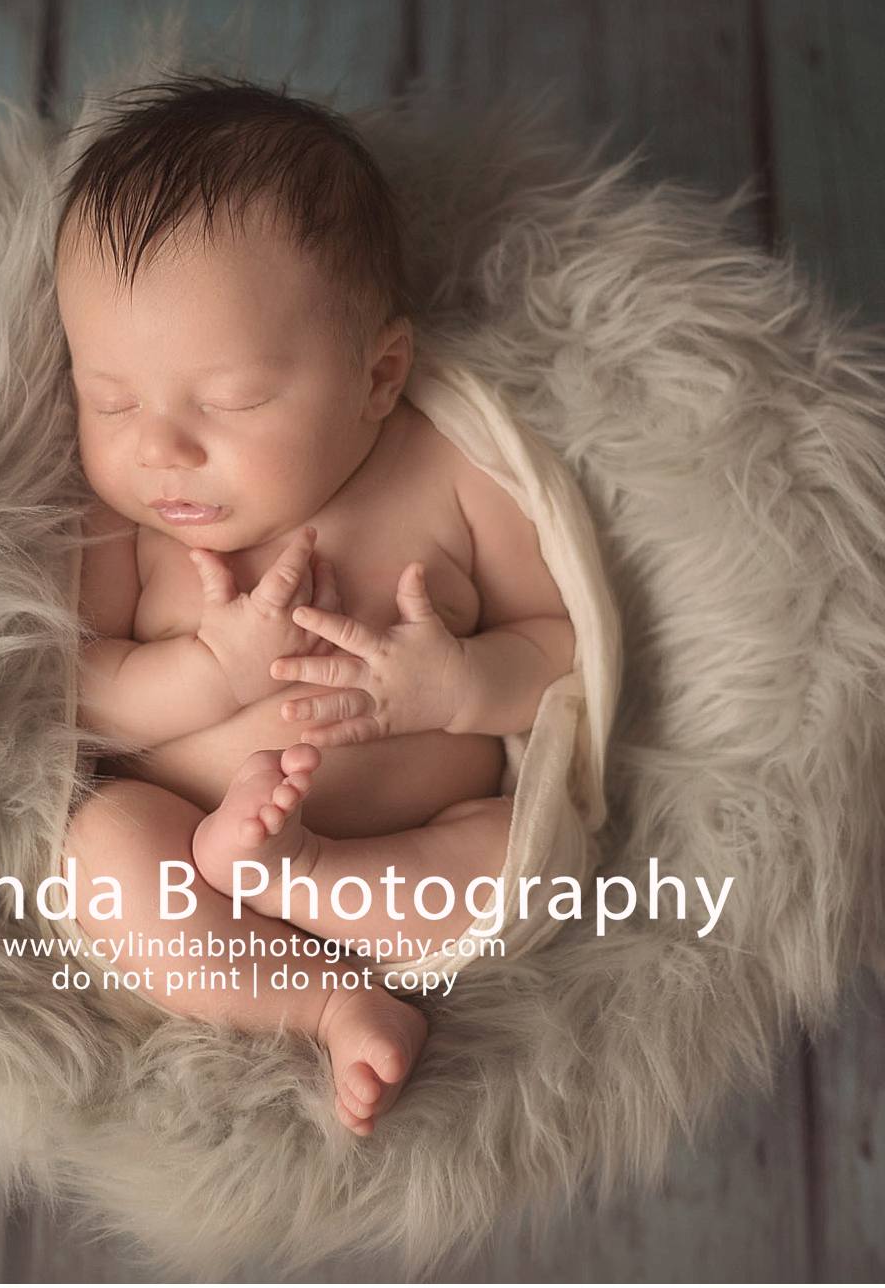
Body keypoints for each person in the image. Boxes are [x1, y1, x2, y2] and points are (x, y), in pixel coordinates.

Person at [56, 75, 576, 1135]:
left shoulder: (451, 477)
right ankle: (326, 1004)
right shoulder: (126, 523)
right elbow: (79, 692)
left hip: (410, 858)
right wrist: (210, 674)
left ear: (378, 375)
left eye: (232, 400)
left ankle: (309, 881)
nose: (159, 448)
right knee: (100, 851)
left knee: (516, 855)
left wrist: (460, 685)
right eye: (110, 399)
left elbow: (563, 650)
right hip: (195, 856)